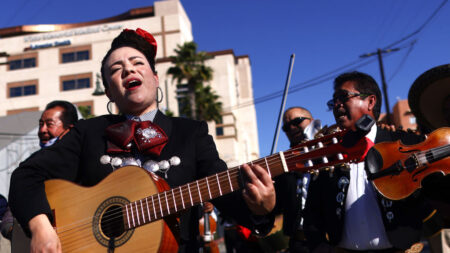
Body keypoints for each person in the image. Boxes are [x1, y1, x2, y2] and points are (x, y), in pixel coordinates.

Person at [8, 28, 275, 253]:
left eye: (137, 63)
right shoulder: (88, 132)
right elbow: (26, 175)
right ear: (109, 91)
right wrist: (40, 227)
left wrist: (261, 208)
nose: (128, 70)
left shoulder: (191, 133)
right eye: (116, 69)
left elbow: (227, 194)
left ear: (155, 78)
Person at [304, 71, 432, 252]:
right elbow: (312, 214)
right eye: (334, 101)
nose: (337, 105)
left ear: (370, 102)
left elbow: (433, 197)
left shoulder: (406, 143)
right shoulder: (327, 154)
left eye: (343, 97)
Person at [273, 107, 321, 252]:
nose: (292, 128)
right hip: (298, 243)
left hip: (327, 241)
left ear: (311, 121)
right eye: (286, 127)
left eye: (297, 121)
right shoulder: (283, 164)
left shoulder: (328, 149)